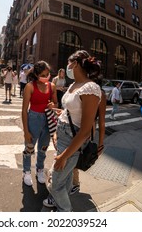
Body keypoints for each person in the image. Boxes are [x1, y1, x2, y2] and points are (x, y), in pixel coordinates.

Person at [43, 50, 102, 212]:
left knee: (55, 183)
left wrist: (64, 156)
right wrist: (58, 115)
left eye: (69, 63)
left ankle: (65, 211)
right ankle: (59, 202)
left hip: (72, 142)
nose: (67, 67)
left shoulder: (90, 88)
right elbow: (71, 112)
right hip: (62, 136)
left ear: (75, 63)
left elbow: (84, 130)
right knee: (66, 180)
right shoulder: (72, 86)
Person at [22, 61, 57, 186]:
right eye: (43, 74)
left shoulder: (52, 86)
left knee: (43, 148)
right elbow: (24, 110)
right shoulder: (30, 86)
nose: (46, 77)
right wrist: (26, 131)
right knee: (29, 147)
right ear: (36, 74)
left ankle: (40, 169)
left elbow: (56, 104)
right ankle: (26, 171)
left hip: (47, 120)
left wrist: (53, 105)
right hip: (33, 119)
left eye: (48, 74)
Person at [70, 74, 106, 195]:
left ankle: (74, 183)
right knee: (70, 154)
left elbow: (102, 121)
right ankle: (70, 182)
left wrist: (100, 144)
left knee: (76, 155)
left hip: (87, 128)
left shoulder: (100, 94)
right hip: (71, 126)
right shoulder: (80, 88)